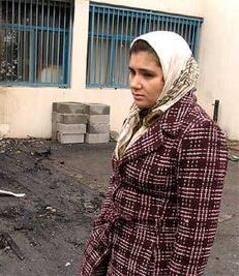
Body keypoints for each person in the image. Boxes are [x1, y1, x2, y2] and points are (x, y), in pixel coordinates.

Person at [80, 31, 228, 276]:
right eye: (132, 71)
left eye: (147, 74)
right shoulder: (141, 116)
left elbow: (196, 232)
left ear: (173, 77)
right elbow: (118, 182)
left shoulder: (198, 131)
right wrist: (102, 225)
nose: (135, 83)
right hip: (113, 246)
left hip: (149, 262)